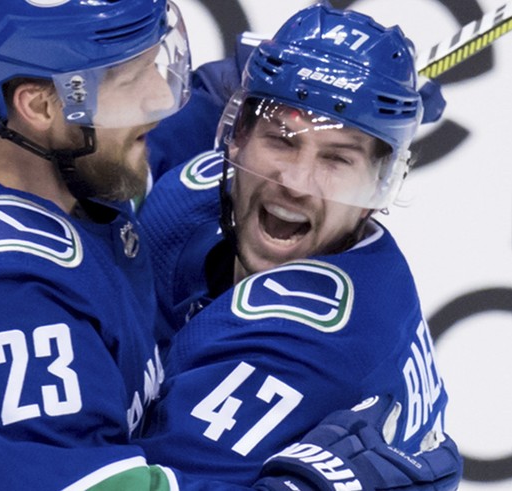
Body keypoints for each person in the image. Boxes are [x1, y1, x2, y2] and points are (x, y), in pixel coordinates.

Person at [0, 1, 461, 490]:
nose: (162, 101)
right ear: (39, 106)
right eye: (134, 79)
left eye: (340, 159)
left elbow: (200, 105)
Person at [135, 3, 452, 486]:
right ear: (236, 136)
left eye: (337, 159)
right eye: (281, 140)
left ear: (378, 189)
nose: (297, 182)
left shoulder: (304, 346)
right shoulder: (192, 191)